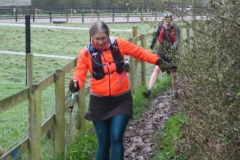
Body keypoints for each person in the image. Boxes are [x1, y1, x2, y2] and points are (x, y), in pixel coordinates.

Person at [68, 20, 172, 160]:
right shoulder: (86, 53)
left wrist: (158, 61)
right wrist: (75, 84)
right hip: (98, 103)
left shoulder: (118, 44)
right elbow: (79, 74)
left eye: (103, 38)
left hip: (121, 100)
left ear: (108, 34)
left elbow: (139, 52)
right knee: (104, 142)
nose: (100, 42)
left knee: (116, 137)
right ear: (91, 37)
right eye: (96, 39)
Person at [143, 13, 180, 99]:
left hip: (172, 52)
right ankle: (149, 90)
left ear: (172, 20)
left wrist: (174, 47)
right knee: (156, 68)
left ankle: (175, 92)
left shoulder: (176, 28)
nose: (167, 23)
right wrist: (152, 43)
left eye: (168, 21)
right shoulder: (160, 26)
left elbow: (177, 39)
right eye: (165, 21)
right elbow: (156, 35)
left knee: (174, 74)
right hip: (162, 50)